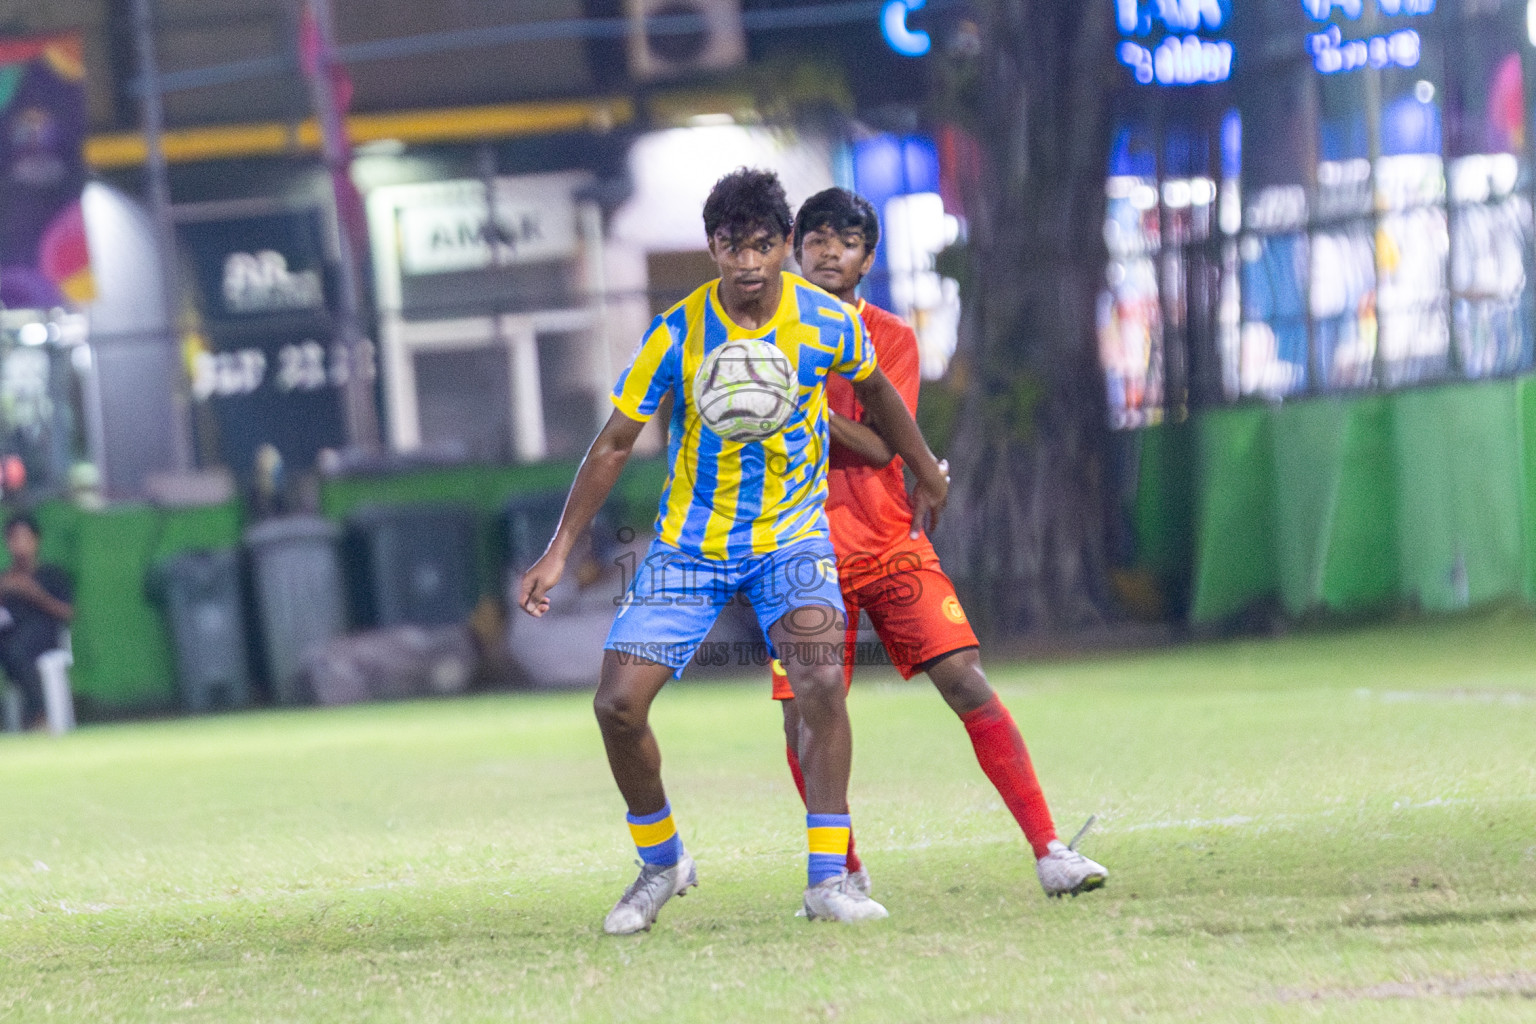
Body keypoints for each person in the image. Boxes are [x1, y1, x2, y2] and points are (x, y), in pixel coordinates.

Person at [518, 168, 951, 934]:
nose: (748, 263)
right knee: (617, 706)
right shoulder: (678, 332)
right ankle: (662, 859)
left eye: (761, 245)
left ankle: (829, 882)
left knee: (821, 682)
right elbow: (616, 443)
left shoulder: (825, 322)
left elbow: (880, 394)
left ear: (784, 245)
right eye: (730, 246)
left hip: (792, 540)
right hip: (692, 547)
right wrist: (559, 550)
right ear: (712, 248)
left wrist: (924, 470)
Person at [768, 188, 1108, 898]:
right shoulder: (756, 339)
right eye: (818, 237)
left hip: (890, 541)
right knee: (803, 717)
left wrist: (798, 406)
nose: (830, 251)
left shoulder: (889, 336)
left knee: (968, 682)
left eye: (847, 240)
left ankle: (1050, 851)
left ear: (867, 258)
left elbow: (880, 448)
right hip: (794, 551)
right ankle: (844, 875)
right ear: (796, 249)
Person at [0, 513, 73, 730]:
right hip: (8, 641)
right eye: (14, 538)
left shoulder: (52, 575)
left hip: (44, 640)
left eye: (25, 537)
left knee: (19, 650)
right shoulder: (4, 579)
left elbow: (67, 612)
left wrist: (33, 593)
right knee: (11, 648)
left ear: (36, 540)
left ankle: (40, 716)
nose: (20, 544)